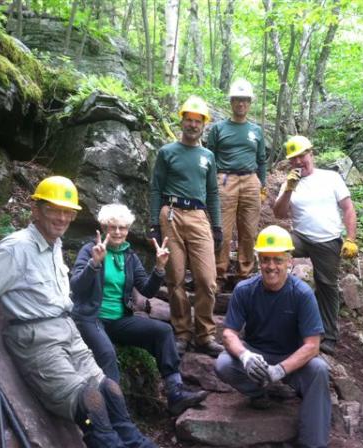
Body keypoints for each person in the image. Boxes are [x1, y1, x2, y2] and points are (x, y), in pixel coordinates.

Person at [0, 176, 156, 448]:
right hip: (36, 338)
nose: (62, 217)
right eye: (54, 209)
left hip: (67, 330)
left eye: (67, 212)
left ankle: (138, 443)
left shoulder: (54, 244)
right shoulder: (16, 249)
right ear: (36, 209)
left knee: (111, 392)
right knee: (91, 404)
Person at [70, 203, 208, 416]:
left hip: (119, 320)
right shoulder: (90, 250)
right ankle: (115, 413)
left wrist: (160, 268)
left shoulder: (129, 256)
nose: (117, 232)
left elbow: (147, 290)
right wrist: (94, 264)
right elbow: (76, 286)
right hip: (91, 318)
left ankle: (175, 392)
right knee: (107, 352)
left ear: (128, 230)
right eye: (112, 227)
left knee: (163, 331)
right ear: (104, 227)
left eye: (122, 228)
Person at [214, 225, 331, 448]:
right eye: (265, 260)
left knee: (319, 370)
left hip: (292, 357)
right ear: (259, 261)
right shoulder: (244, 290)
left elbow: (312, 346)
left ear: (290, 262)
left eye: (278, 260)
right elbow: (229, 333)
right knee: (224, 363)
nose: (271, 266)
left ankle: (312, 442)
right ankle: (260, 391)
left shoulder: (302, 294)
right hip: (258, 355)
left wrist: (281, 370)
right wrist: (246, 356)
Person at [149, 96, 224, 357]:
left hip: (198, 216)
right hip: (170, 215)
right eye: (189, 120)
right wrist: (153, 224)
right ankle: (182, 333)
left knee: (206, 279)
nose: (193, 125)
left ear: (204, 125)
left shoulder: (208, 156)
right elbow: (156, 188)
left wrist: (217, 226)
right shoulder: (167, 152)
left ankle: (205, 334)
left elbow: (213, 193)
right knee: (175, 278)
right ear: (182, 121)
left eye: (197, 121)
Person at [273, 136, 358, 355]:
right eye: (294, 158)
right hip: (300, 237)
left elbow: (348, 208)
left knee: (327, 284)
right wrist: (289, 188)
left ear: (311, 154)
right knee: (276, 249)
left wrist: (350, 238)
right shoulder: (290, 182)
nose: (299, 161)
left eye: (302, 155)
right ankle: (275, 312)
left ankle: (329, 335)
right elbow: (279, 213)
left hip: (328, 240)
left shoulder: (331, 178)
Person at [206, 79, 267, 285]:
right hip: (225, 179)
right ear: (231, 102)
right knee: (222, 229)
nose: (241, 104)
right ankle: (219, 273)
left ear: (250, 103)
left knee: (249, 230)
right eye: (237, 100)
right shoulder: (218, 129)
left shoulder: (256, 130)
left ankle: (244, 275)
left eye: (245, 100)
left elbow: (261, 160)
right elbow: (209, 157)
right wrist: (210, 183)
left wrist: (263, 184)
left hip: (251, 179)